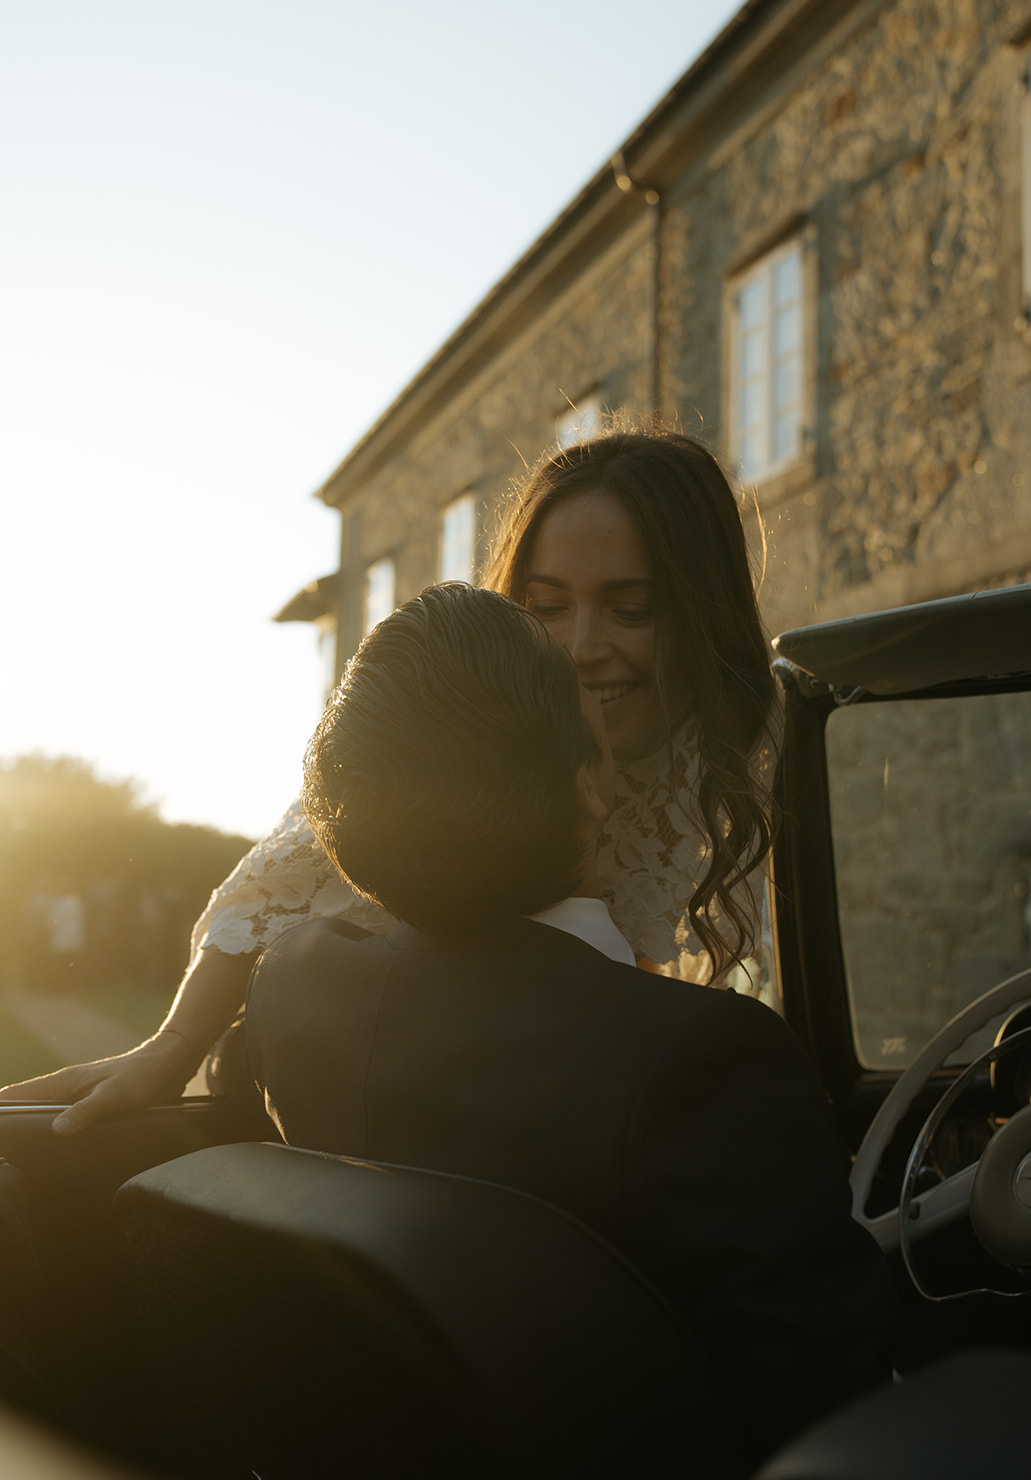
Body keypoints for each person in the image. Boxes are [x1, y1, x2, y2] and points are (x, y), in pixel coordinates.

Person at [245, 582, 891, 1478]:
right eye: (572, 684)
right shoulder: (703, 1059)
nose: (591, 662)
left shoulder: (296, 982)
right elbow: (831, 1405)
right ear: (589, 786)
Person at [1, 426, 779, 1134]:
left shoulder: (736, 745)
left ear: (699, 610)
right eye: (544, 606)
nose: (580, 646)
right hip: (353, 1066)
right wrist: (173, 1047)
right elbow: (266, 892)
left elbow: (630, 968)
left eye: (630, 610)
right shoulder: (466, 722)